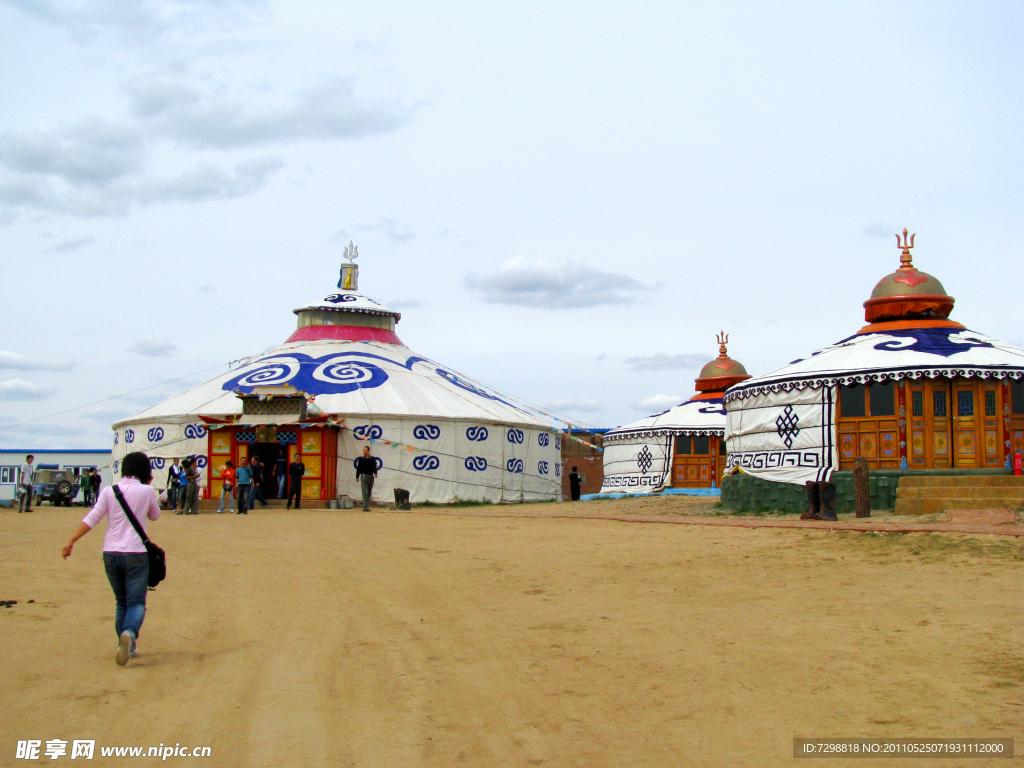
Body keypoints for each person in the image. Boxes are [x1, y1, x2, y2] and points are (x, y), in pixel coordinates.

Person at [61, 451, 160, 667]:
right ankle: (130, 634)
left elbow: (93, 517)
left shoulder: (109, 490)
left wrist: (72, 540)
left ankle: (125, 645)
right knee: (136, 602)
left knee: (121, 602)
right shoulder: (147, 490)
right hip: (136, 553)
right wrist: (149, 487)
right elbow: (155, 515)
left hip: (111, 553)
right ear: (145, 471)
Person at [355, 445, 378, 511]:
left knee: (369, 492)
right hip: (364, 476)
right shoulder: (361, 459)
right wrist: (357, 476)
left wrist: (375, 473)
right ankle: (365, 507)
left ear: (368, 451)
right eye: (363, 450)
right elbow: (358, 468)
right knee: (365, 492)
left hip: (370, 476)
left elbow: (374, 467)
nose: (364, 452)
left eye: (365, 450)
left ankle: (366, 504)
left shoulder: (372, 459)